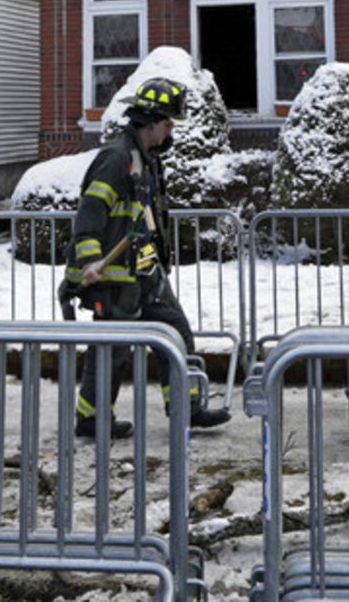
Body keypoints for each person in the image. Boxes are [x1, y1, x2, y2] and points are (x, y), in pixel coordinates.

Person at [62, 76, 231, 439]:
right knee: (112, 349)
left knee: (175, 331)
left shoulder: (147, 159)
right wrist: (91, 265)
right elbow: (90, 215)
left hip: (143, 271)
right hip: (114, 275)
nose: (172, 131)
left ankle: (187, 408)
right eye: (168, 123)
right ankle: (90, 418)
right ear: (149, 121)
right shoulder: (116, 159)